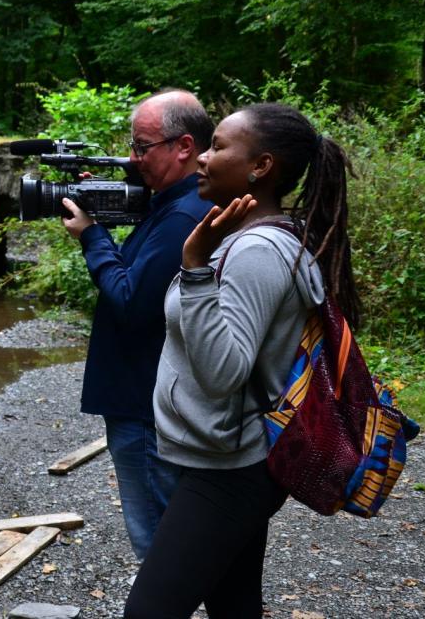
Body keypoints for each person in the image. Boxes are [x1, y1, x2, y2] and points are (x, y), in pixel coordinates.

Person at [124, 103, 355, 617]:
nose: (203, 158)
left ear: (261, 166)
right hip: (231, 459)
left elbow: (222, 373)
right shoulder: (263, 239)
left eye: (219, 147)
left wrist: (193, 268)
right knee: (234, 605)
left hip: (228, 469)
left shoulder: (256, 252)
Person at [60, 89, 214, 560]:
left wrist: (91, 235)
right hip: (148, 398)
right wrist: (104, 201)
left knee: (156, 544)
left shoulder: (183, 217)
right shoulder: (174, 205)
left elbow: (129, 300)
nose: (133, 158)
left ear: (183, 147)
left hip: (146, 407)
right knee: (168, 538)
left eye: (142, 147)